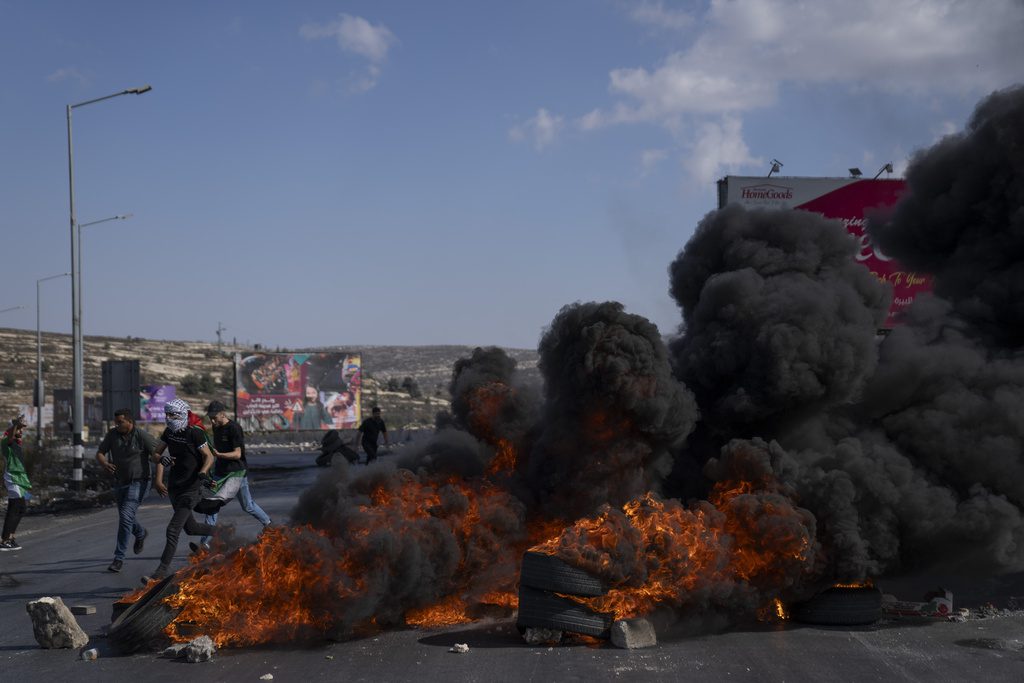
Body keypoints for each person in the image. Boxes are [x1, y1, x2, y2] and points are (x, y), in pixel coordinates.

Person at [143, 398, 217, 582]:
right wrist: (161, 459)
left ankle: (159, 573)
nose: (169, 418)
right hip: (175, 487)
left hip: (191, 489)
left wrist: (202, 472)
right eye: (167, 414)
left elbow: (209, 457)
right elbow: (155, 454)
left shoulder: (196, 434)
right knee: (191, 528)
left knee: (172, 530)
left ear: (183, 415)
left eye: (173, 414)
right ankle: (223, 532)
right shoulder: (169, 432)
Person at [194, 401, 271, 552]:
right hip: (220, 472)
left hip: (236, 472)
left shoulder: (234, 428)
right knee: (211, 505)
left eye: (214, 417)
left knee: (247, 505)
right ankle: (204, 544)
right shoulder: (216, 428)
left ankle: (268, 524)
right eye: (210, 418)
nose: (212, 421)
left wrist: (219, 454)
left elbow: (238, 454)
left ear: (223, 413)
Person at [96, 409, 159, 572]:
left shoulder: (141, 435)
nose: (117, 425)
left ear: (130, 422)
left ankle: (118, 558)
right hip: (120, 483)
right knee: (126, 517)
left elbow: (158, 454)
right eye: (116, 422)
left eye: (120, 422)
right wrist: (105, 464)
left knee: (125, 516)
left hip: (139, 483)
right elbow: (100, 453)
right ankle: (140, 533)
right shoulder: (112, 435)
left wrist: (158, 480)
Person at [1, 415, 30, 551]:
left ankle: (10, 537)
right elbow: (10, 437)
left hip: (19, 479)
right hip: (12, 478)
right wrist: (15, 425)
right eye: (20, 429)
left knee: (21, 508)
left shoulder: (16, 444)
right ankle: (4, 540)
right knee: (15, 507)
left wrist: (18, 426)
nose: (21, 431)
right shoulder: (7, 441)